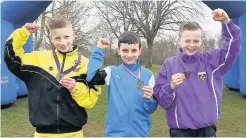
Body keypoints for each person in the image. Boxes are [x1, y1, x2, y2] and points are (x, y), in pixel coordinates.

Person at [4, 16, 103, 137]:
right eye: (57, 38)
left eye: (66, 37)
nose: (63, 42)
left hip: (74, 134)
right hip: (42, 134)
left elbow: (90, 101)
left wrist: (75, 88)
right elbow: (11, 57)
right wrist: (23, 33)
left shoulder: (87, 65)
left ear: (73, 35)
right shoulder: (37, 59)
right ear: (51, 38)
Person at [154, 8, 241, 137]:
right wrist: (171, 86)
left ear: (201, 40)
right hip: (180, 132)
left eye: (196, 41)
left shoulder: (211, 61)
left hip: (207, 131)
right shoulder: (169, 65)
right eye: (187, 41)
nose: (192, 45)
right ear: (179, 41)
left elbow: (232, 49)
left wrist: (227, 22)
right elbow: (162, 100)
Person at [86, 31, 158, 137]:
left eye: (133, 50)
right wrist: (99, 50)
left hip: (140, 134)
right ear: (118, 51)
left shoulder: (148, 75)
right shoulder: (111, 72)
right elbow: (91, 78)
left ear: (140, 51)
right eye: (125, 50)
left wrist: (149, 99)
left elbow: (150, 109)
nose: (129, 55)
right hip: (115, 134)